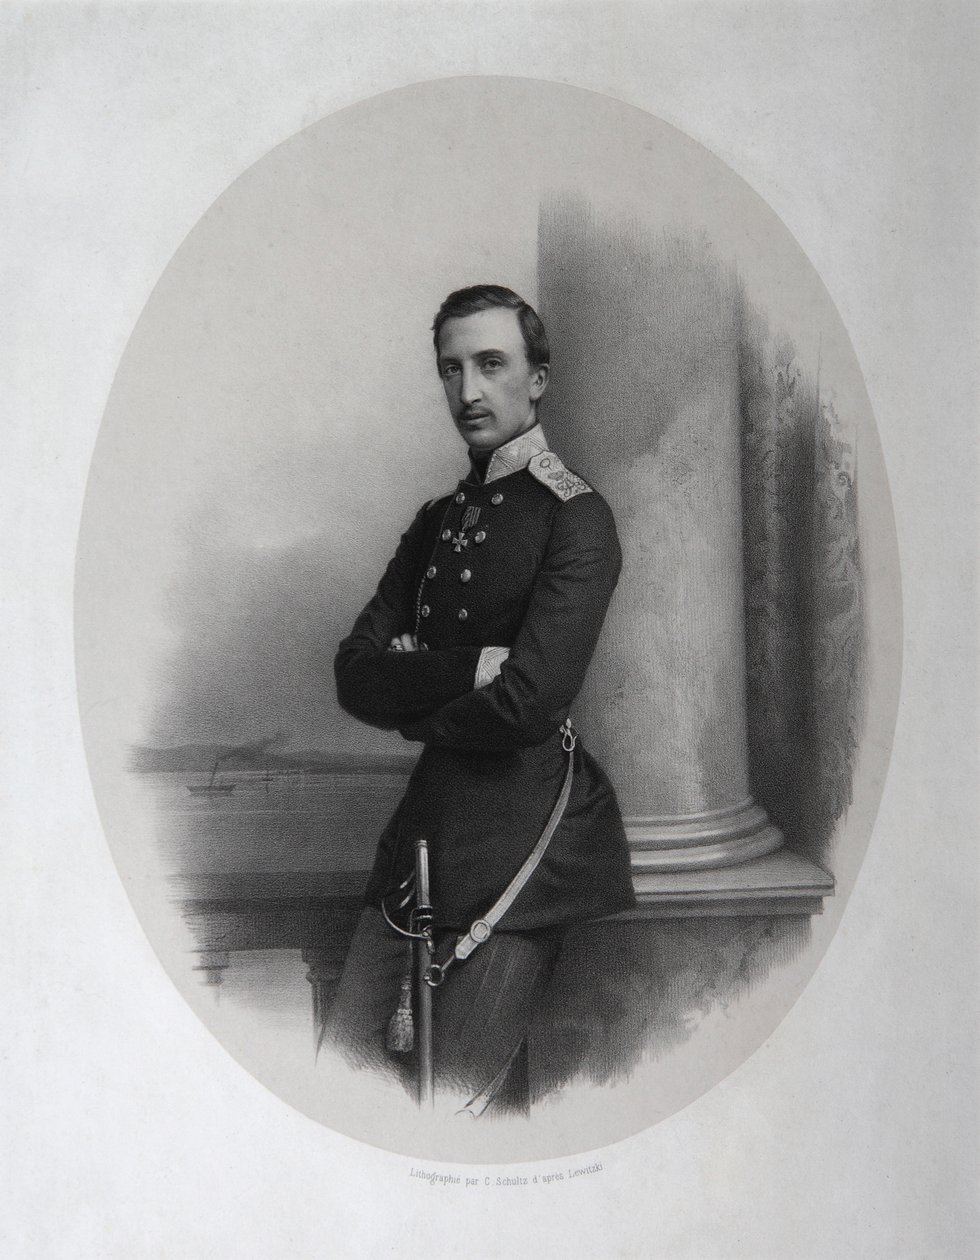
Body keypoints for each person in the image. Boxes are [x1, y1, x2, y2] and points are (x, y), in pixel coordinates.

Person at [327, 285, 635, 1115]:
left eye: (491, 365)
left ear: (538, 379)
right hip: (421, 839)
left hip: (521, 841)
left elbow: (529, 706)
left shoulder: (577, 518)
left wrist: (412, 690)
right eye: (451, 369)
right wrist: (467, 670)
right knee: (341, 1088)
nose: (468, 390)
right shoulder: (435, 522)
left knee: (453, 1114)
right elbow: (353, 675)